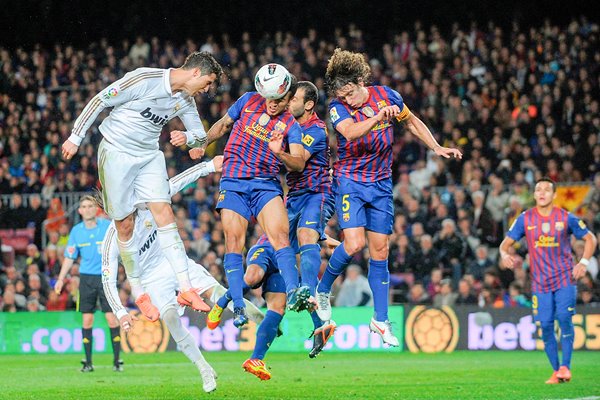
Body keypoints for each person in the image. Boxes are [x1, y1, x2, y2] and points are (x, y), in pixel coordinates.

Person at [315, 49, 462, 346]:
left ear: (360, 81)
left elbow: (412, 121)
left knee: (380, 251)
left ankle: (380, 320)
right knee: (355, 243)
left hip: (381, 184)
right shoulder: (336, 106)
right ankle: (322, 290)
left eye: (350, 93)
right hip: (350, 181)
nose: (347, 99)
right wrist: (378, 116)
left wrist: (436, 147)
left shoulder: (388, 95)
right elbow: (350, 132)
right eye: (343, 95)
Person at [61, 51, 223, 315]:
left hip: (149, 155)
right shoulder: (144, 79)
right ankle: (138, 291)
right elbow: (100, 100)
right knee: (124, 224)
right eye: (207, 82)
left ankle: (186, 287)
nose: (207, 89)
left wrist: (189, 138)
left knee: (164, 212)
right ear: (196, 72)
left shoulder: (185, 99)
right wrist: (75, 137)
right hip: (116, 152)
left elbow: (199, 137)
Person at [101, 156, 265, 393]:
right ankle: (205, 370)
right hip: (150, 279)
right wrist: (120, 311)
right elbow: (107, 279)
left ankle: (265, 321)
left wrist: (209, 166)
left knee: (218, 292)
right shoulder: (112, 238)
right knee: (170, 319)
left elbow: (177, 182)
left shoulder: (147, 202)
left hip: (174, 263)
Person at [199, 64, 309, 327]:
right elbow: (224, 124)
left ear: (289, 99)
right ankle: (238, 306)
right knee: (233, 241)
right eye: (270, 99)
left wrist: (279, 152)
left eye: (279, 100)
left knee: (280, 237)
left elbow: (299, 163)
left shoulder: (290, 125)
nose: (272, 104)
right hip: (234, 181)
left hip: (265, 184)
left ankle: (295, 292)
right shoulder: (248, 101)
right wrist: (201, 142)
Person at [500, 177, 597, 384]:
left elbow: (591, 238)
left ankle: (566, 367)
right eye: (538, 190)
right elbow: (504, 245)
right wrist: (504, 254)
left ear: (554, 195)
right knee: (544, 325)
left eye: (546, 189)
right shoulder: (525, 219)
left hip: (564, 279)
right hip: (540, 283)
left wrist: (584, 262)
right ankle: (556, 371)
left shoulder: (566, 218)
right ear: (534, 195)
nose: (542, 193)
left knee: (563, 318)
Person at [284, 81, 337, 344]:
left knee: (306, 235)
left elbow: (297, 161)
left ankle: (306, 288)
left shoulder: (314, 129)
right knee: (279, 252)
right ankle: (320, 324)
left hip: (317, 193)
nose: (288, 102)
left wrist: (271, 151)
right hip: (293, 197)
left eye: (293, 98)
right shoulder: (290, 126)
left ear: (308, 104)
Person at [53, 195, 121, 372]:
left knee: (111, 318)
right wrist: (61, 279)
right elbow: (69, 257)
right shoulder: (76, 231)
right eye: (84, 206)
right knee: (87, 319)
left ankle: (117, 361)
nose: (88, 209)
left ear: (96, 209)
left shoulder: (107, 226)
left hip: (106, 278)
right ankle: (88, 362)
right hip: (86, 278)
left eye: (91, 205)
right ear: (80, 210)